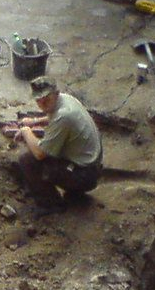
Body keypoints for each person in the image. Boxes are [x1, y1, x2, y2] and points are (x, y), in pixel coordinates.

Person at [13, 75, 103, 214]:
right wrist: (35, 121)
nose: (42, 104)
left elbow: (40, 153)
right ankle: (59, 192)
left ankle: (52, 204)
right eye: (38, 100)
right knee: (35, 153)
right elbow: (52, 114)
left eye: (46, 99)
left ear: (56, 93)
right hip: (89, 164)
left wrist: (26, 131)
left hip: (84, 175)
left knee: (28, 161)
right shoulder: (66, 100)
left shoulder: (64, 116)